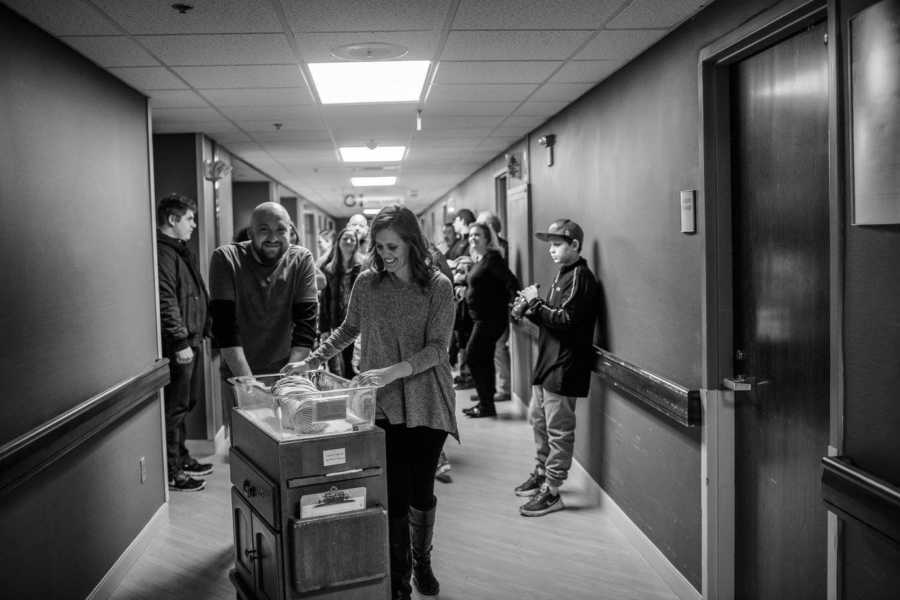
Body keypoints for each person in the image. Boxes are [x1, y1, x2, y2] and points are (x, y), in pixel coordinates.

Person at [283, 206, 456, 600]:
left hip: (428, 399)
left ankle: (422, 561)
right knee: (393, 492)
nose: (384, 254)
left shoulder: (439, 286)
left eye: (392, 246)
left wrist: (393, 370)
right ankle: (399, 583)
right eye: (378, 246)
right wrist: (309, 362)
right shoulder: (367, 282)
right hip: (382, 403)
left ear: (413, 242)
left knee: (420, 490)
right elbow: (347, 330)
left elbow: (438, 349)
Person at [511, 219, 600, 517]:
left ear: (575, 244)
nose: (551, 250)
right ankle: (541, 473)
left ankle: (552, 491)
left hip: (565, 366)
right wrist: (528, 307)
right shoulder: (562, 276)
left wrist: (537, 304)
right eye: (549, 244)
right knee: (539, 421)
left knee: (559, 431)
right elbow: (552, 322)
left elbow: (566, 321)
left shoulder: (581, 277)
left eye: (558, 244)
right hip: (548, 363)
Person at [208, 202, 318, 429]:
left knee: (287, 436)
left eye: (281, 230)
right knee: (249, 445)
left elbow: (305, 328)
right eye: (264, 229)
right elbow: (225, 329)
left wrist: (286, 381)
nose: (273, 237)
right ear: (250, 233)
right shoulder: (226, 258)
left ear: (291, 232)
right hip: (239, 371)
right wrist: (249, 385)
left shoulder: (301, 260)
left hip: (286, 368)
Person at [156, 194, 212, 492]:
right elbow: (166, 298)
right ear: (173, 220)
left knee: (185, 403)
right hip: (181, 343)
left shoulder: (178, 250)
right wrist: (179, 341)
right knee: (175, 408)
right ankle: (172, 472)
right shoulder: (164, 253)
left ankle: (183, 456)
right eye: (189, 218)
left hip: (192, 338)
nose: (193, 225)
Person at [461, 222, 513, 418]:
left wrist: (515, 304)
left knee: (474, 357)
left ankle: (485, 403)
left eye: (477, 235)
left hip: (490, 320)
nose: (472, 238)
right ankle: (486, 404)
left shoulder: (493, 259)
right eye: (471, 235)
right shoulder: (482, 259)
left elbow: (510, 282)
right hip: (481, 320)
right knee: (483, 360)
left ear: (487, 239)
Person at [477, 211, 514, 402]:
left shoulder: (499, 249)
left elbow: (506, 279)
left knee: (498, 349)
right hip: (484, 311)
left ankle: (503, 388)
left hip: (496, 310)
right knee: (487, 353)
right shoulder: (483, 250)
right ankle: (488, 390)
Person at [318, 227, 364, 378]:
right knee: (340, 369)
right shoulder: (329, 269)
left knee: (357, 366)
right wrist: (324, 329)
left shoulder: (363, 268)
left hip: (360, 326)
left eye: (353, 239)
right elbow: (324, 301)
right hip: (338, 325)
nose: (349, 241)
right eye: (345, 238)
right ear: (338, 242)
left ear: (357, 244)